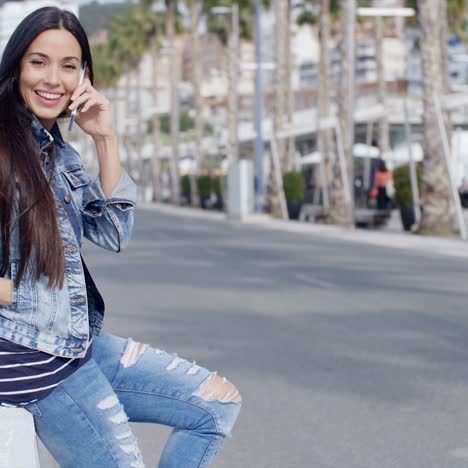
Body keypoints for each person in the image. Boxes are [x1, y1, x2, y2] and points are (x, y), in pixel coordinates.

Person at [0, 7, 241, 468]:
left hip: (73, 344)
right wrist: (29, 294)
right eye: (38, 62)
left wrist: (105, 139)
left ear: (84, 76)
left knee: (217, 404)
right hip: (31, 362)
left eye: (69, 66)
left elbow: (114, 234)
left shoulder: (56, 151)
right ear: (16, 67)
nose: (53, 79)